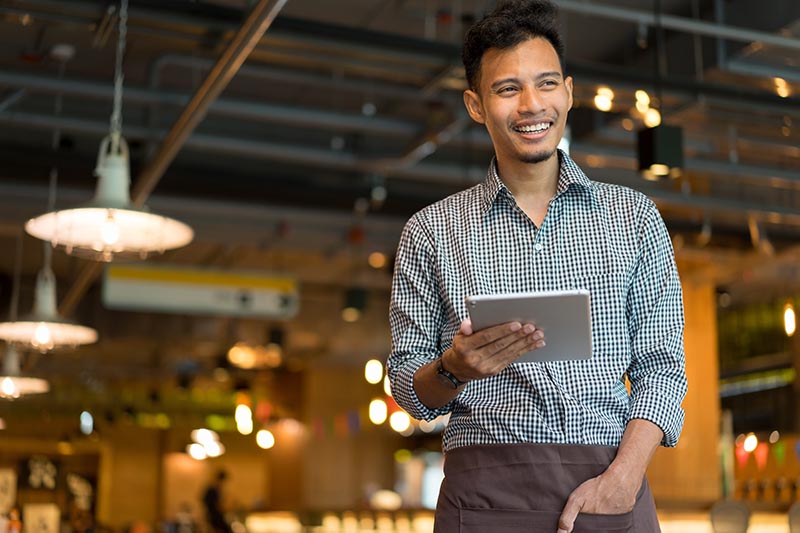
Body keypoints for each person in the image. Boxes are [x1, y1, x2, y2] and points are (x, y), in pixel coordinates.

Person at [386, 1, 687, 532]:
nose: (532, 105)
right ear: (476, 105)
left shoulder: (634, 218)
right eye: (507, 89)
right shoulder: (431, 231)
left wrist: (624, 477)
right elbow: (411, 392)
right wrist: (454, 368)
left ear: (568, 92)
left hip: (607, 480)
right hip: (483, 489)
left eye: (546, 84)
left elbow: (662, 368)